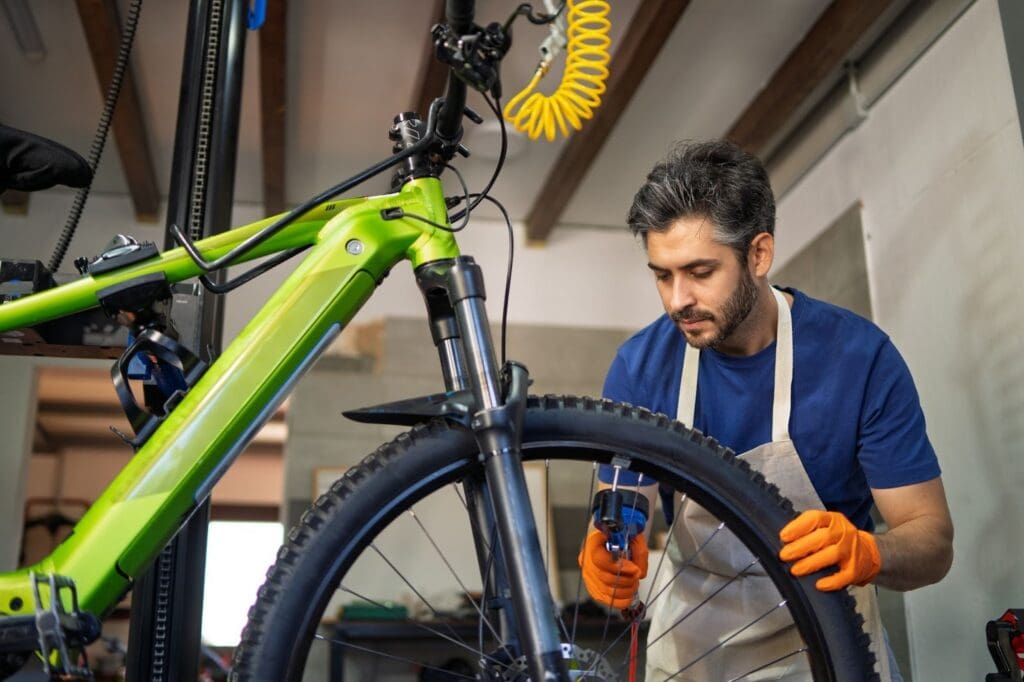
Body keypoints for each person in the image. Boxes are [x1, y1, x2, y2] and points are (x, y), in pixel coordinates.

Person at [577, 140, 954, 680]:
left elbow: (932, 541)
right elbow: (619, 507)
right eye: (662, 274)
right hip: (694, 645)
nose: (676, 299)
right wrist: (607, 547)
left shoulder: (860, 359)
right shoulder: (640, 368)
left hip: (827, 640)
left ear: (759, 255)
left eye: (700, 272)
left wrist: (870, 552)